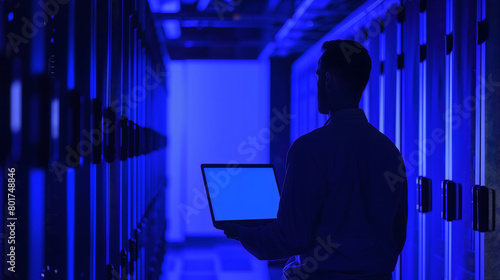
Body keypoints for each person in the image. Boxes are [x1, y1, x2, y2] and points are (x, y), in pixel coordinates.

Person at [217, 40, 408, 280]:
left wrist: (242, 233)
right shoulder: (389, 151)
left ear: (327, 80)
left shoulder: (309, 148)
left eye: (318, 76)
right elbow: (397, 234)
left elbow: (291, 237)